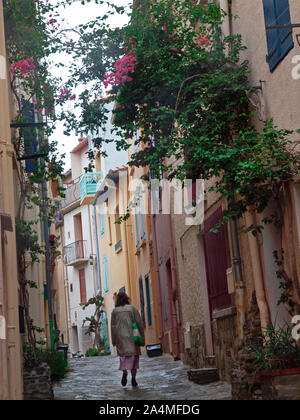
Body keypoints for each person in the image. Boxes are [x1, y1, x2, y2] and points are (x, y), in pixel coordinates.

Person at [111, 291, 145, 387]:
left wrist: (114, 340)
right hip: (132, 338)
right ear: (127, 298)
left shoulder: (115, 311)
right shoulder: (132, 309)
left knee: (124, 358)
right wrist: (142, 337)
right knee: (134, 360)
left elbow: (113, 327)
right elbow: (139, 323)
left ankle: (125, 371)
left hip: (120, 339)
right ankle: (133, 378)